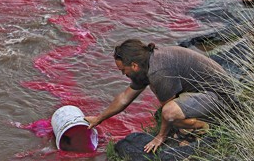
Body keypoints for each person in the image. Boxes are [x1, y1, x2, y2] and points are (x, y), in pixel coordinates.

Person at [84, 39, 235, 154]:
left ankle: (202, 127)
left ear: (134, 65)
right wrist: (99, 119)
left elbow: (169, 111)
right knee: (168, 116)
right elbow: (124, 97)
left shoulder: (158, 72)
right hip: (203, 91)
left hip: (219, 95)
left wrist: (160, 136)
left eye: (123, 70)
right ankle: (190, 125)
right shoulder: (148, 62)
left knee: (168, 113)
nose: (124, 74)